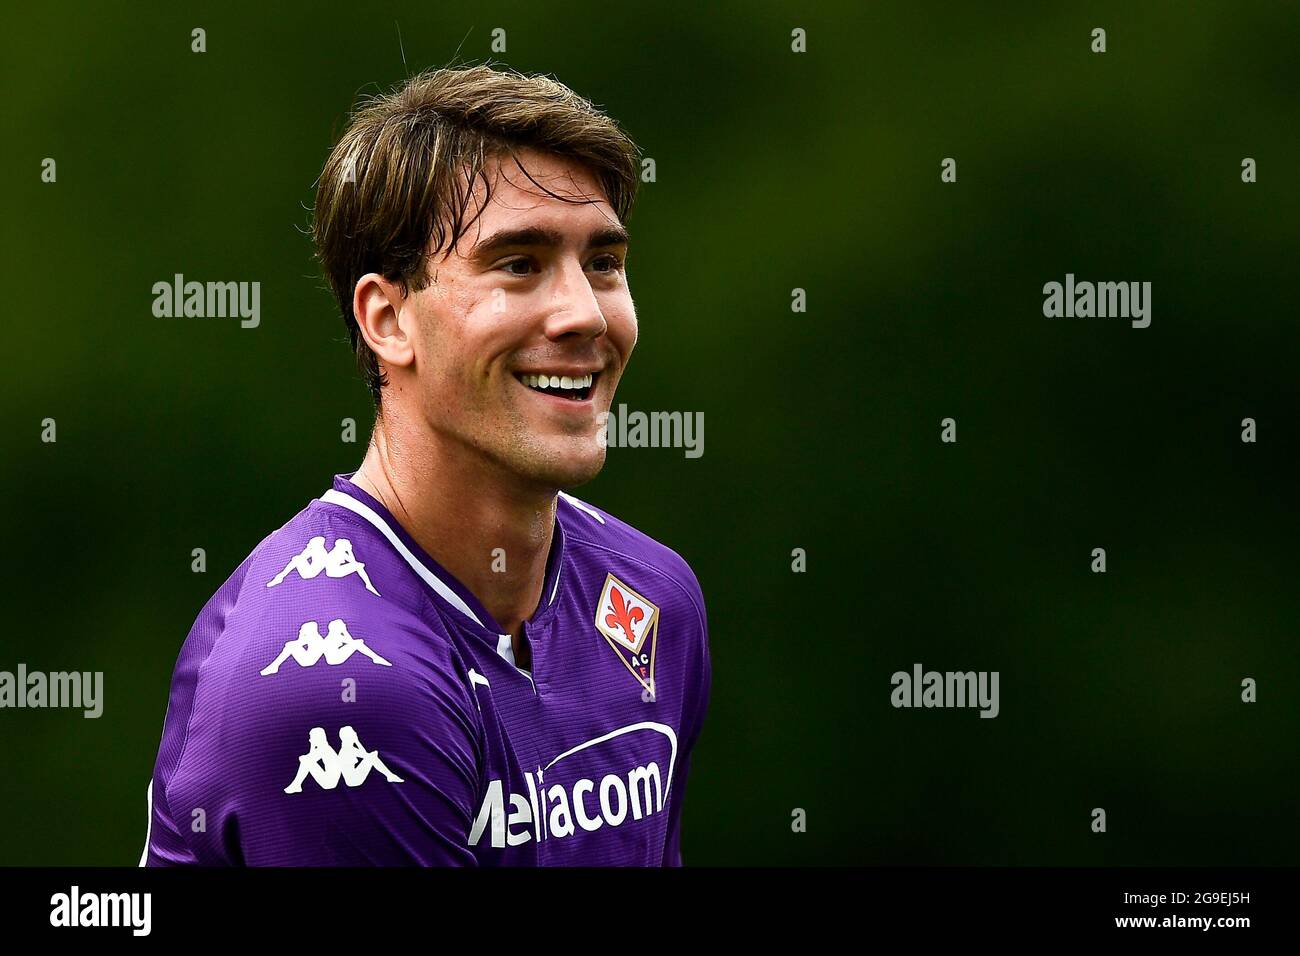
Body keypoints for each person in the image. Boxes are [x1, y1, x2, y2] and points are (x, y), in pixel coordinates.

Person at [140, 63, 711, 866]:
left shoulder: (651, 599)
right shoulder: (333, 684)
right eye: (519, 263)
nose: (585, 313)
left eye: (604, 263)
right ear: (387, 319)